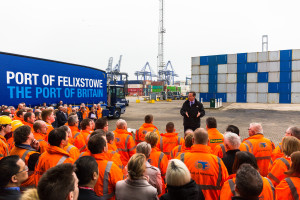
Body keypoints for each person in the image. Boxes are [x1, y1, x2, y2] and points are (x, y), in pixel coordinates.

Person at [176, 128, 228, 200]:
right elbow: (226, 186)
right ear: (208, 141)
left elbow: (171, 183)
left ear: (193, 140)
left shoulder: (181, 158)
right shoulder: (218, 162)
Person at [88, 134, 123, 198]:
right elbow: (121, 187)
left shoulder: (84, 162)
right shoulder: (111, 167)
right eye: (106, 143)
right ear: (104, 149)